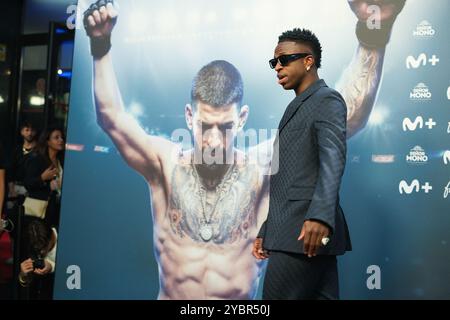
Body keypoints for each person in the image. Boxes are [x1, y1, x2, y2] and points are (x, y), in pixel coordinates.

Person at [83, 0, 405, 299]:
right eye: (204, 126)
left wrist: (373, 31)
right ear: (189, 116)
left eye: (224, 127)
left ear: (241, 120)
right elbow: (112, 117)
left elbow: (346, 117)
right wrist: (100, 47)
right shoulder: (164, 163)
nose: (212, 140)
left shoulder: (263, 165)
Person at [253, 28, 350, 300]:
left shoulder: (326, 99)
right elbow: (291, 178)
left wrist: (319, 216)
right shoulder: (297, 105)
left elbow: (333, 158)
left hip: (304, 230)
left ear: (309, 61)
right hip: (294, 230)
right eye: (274, 63)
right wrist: (268, 229)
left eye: (284, 60)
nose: (278, 67)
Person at [23, 128, 64, 229]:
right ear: (47, 141)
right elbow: (28, 183)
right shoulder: (37, 159)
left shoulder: (62, 160)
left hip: (58, 209)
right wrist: (43, 179)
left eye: (62, 137)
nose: (61, 140)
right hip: (40, 210)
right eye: (56, 138)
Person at [18, 218, 58, 300]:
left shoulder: (67, 237)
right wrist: (23, 275)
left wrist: (52, 267)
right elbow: (29, 286)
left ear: (51, 235)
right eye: (38, 249)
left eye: (45, 247)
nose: (42, 252)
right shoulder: (31, 245)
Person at [8, 121, 37, 200]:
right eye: (27, 130)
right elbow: (11, 170)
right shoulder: (16, 149)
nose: (30, 133)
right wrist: (11, 189)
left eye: (32, 130)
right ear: (21, 132)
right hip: (16, 187)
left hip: (32, 189)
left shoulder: (39, 150)